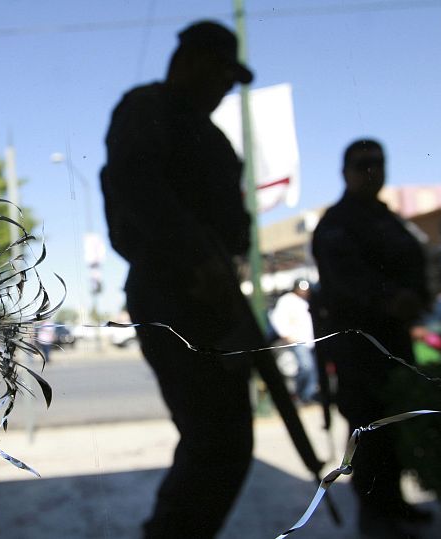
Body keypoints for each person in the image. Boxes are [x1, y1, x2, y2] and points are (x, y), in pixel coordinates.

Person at [100, 21, 261, 538]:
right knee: (215, 439)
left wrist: (224, 250)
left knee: (224, 438)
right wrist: (195, 257)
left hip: (214, 298)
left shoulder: (213, 138)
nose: (225, 89)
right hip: (171, 291)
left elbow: (236, 227)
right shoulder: (149, 107)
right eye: (221, 74)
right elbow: (135, 186)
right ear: (193, 61)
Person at [312, 139, 431, 538]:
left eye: (379, 163)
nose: (373, 170)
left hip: (395, 342)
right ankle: (375, 517)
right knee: (369, 431)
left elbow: (416, 263)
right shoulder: (338, 222)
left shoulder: (387, 219)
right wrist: (390, 298)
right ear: (345, 171)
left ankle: (394, 505)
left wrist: (414, 298)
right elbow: (344, 279)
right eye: (363, 163)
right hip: (358, 347)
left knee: (395, 426)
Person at [270, 278, 318, 403]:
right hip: (298, 341)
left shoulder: (307, 300)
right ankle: (302, 395)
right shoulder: (287, 300)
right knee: (305, 367)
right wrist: (286, 335)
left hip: (311, 341)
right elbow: (277, 318)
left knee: (313, 369)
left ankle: (309, 396)